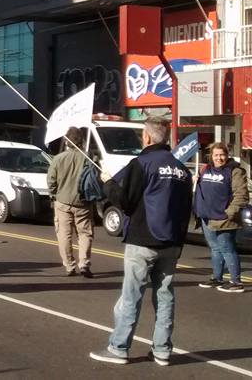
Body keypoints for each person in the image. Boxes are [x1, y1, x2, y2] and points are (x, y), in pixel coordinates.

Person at [90, 117, 192, 367]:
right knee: (165, 296)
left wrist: (108, 183)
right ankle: (162, 349)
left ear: (146, 137)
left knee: (132, 295)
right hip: (171, 242)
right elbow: (185, 209)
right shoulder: (182, 170)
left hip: (143, 239)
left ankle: (119, 347)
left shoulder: (142, 163)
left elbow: (126, 202)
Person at [193, 142, 248, 293]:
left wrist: (228, 214)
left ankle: (236, 281)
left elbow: (241, 196)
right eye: (216, 155)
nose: (219, 158)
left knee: (227, 249)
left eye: (222, 155)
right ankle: (217, 278)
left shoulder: (235, 171)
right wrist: (195, 180)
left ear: (227, 155)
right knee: (215, 248)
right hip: (206, 217)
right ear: (211, 155)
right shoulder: (205, 169)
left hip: (224, 219)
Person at [47, 127, 94, 278]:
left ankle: (69, 265)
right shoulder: (88, 157)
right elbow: (95, 178)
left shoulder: (58, 158)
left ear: (67, 141)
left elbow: (51, 181)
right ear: (81, 141)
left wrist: (53, 194)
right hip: (83, 202)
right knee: (85, 234)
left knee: (64, 235)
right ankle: (84, 264)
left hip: (62, 201)